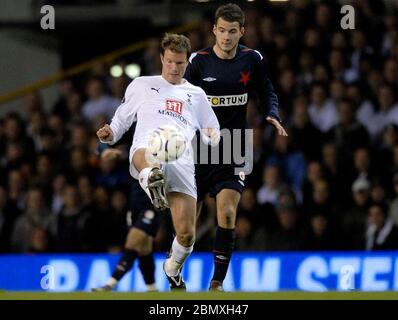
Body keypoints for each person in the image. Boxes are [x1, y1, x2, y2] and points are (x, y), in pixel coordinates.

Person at [96, 33, 220, 291]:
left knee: (186, 236)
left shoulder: (196, 94)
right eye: (170, 62)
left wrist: (210, 137)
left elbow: (213, 129)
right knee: (148, 151)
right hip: (148, 148)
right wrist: (110, 135)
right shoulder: (141, 85)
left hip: (182, 162)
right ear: (162, 58)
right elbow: (120, 121)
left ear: (188, 63)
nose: (174, 68)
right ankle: (150, 178)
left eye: (180, 63)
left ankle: (172, 267)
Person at [184, 3, 287, 291]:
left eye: (232, 31)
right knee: (186, 225)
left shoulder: (252, 59)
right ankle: (175, 269)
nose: (227, 37)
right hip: (201, 144)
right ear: (213, 30)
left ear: (242, 31)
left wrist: (272, 112)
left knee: (227, 212)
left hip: (236, 144)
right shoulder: (198, 61)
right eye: (222, 31)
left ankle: (216, 281)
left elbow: (266, 89)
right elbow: (181, 99)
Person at [91, 146, 161, 292]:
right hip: (135, 206)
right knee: (144, 249)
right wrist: (104, 151)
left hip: (152, 205)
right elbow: (103, 147)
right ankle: (153, 290)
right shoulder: (135, 149)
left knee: (133, 242)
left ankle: (110, 284)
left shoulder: (165, 152)